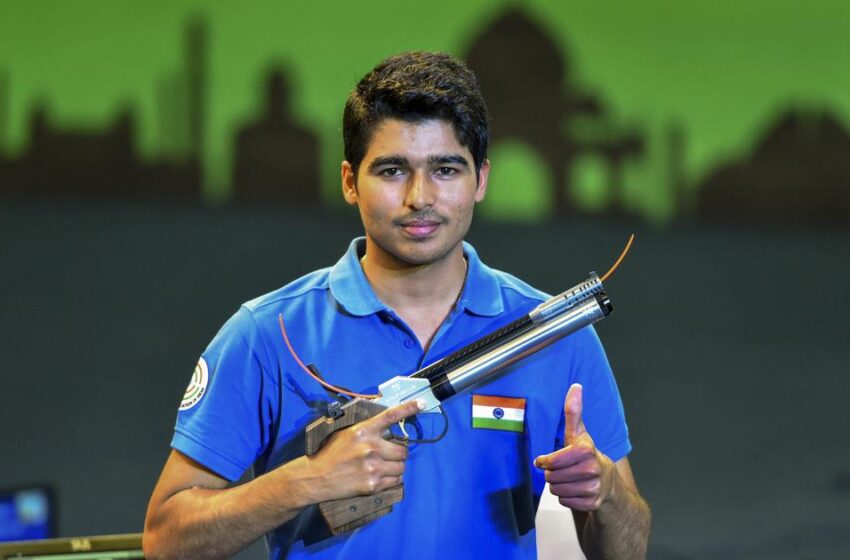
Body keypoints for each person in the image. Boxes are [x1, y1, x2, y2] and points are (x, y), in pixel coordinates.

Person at [143, 51, 651, 560]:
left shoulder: (556, 333)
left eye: (446, 169)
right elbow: (166, 540)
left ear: (482, 180)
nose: (419, 197)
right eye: (391, 170)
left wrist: (603, 493)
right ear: (349, 181)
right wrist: (307, 479)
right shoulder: (266, 333)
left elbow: (627, 551)